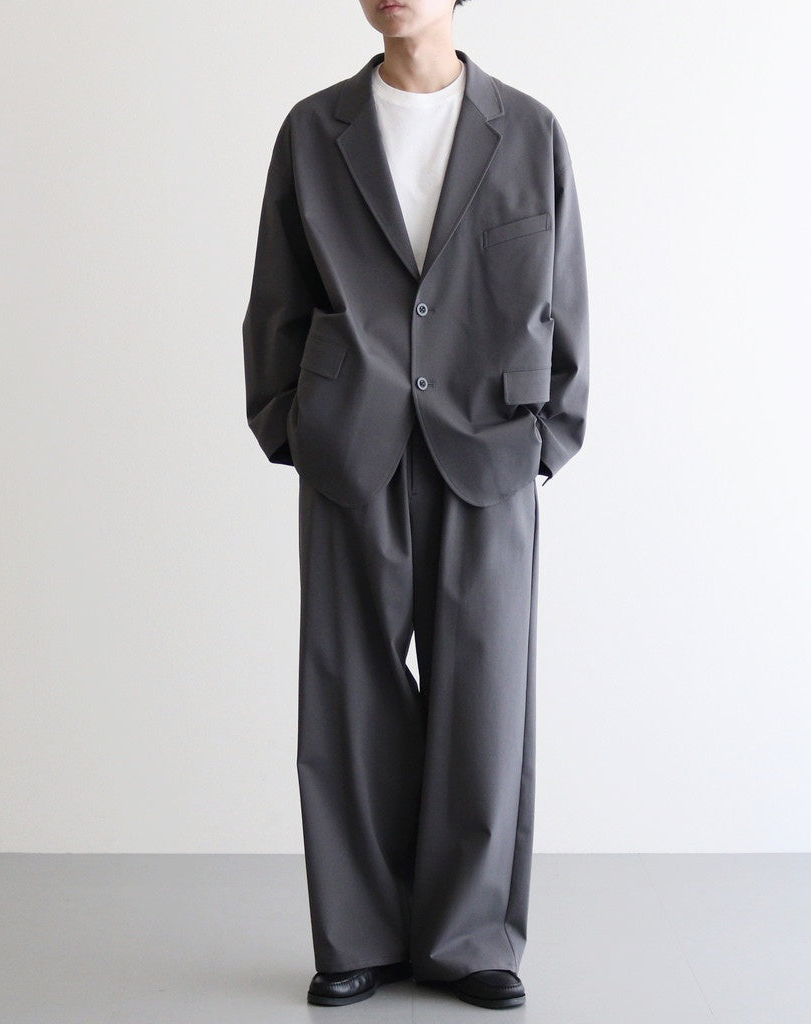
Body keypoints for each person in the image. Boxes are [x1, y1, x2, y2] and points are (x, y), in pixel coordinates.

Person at [242, 0, 589, 1009]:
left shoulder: (527, 130)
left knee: (486, 699)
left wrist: (549, 435)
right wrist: (290, 426)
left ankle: (471, 940)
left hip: (488, 444)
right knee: (348, 693)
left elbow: (565, 291)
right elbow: (278, 296)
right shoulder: (315, 129)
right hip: (351, 443)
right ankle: (358, 933)